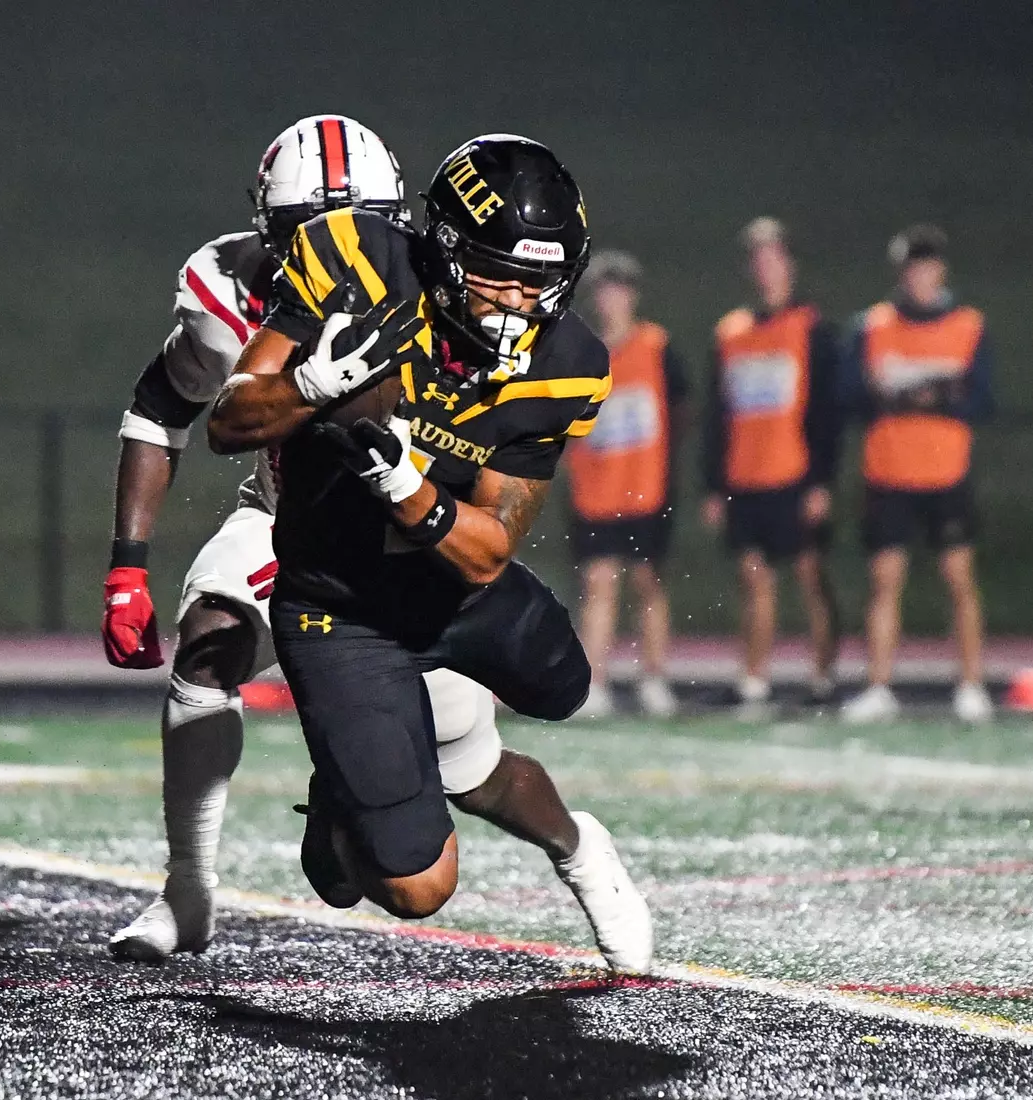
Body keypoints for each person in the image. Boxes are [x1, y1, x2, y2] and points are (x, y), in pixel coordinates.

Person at [105, 120, 650, 974]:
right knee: (211, 641)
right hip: (290, 518)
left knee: (471, 769)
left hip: (417, 542)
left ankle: (577, 846)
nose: (310, 250)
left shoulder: (532, 342)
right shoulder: (247, 290)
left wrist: (410, 488)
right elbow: (185, 412)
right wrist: (127, 568)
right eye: (295, 233)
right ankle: (188, 890)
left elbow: (489, 533)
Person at [839, 224, 994, 724]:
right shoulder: (872, 326)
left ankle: (970, 685)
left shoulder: (968, 325)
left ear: (940, 269)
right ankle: (879, 686)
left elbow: (984, 400)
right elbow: (849, 396)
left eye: (927, 264)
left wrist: (937, 396)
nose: (919, 274)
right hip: (888, 473)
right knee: (884, 581)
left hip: (947, 473)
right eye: (911, 265)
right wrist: (898, 395)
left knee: (959, 578)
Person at [702, 218, 842, 713]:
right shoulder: (731, 332)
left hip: (795, 476)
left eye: (774, 258)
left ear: (790, 264)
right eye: (758, 259)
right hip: (745, 480)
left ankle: (823, 679)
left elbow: (827, 410)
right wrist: (713, 486)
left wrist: (821, 480)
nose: (766, 269)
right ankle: (755, 681)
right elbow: (719, 415)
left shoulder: (812, 329)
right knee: (753, 580)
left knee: (810, 579)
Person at [564, 251, 689, 719]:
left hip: (645, 491)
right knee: (598, 585)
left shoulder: (656, 346)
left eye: (620, 289)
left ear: (632, 296)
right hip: (595, 494)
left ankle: (653, 678)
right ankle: (594, 684)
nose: (612, 299)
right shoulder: (579, 354)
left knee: (647, 584)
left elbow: (680, 412)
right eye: (604, 290)